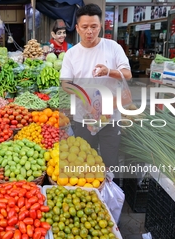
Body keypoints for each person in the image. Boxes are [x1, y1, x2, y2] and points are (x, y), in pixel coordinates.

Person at [60, 4, 132, 170]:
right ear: (77, 28)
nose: (89, 32)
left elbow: (127, 74)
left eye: (94, 27)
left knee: (110, 162)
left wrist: (109, 71)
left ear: (101, 26)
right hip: (83, 117)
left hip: (110, 118)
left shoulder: (113, 47)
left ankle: (110, 194)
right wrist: (85, 99)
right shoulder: (71, 54)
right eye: (85, 27)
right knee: (85, 162)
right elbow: (66, 84)